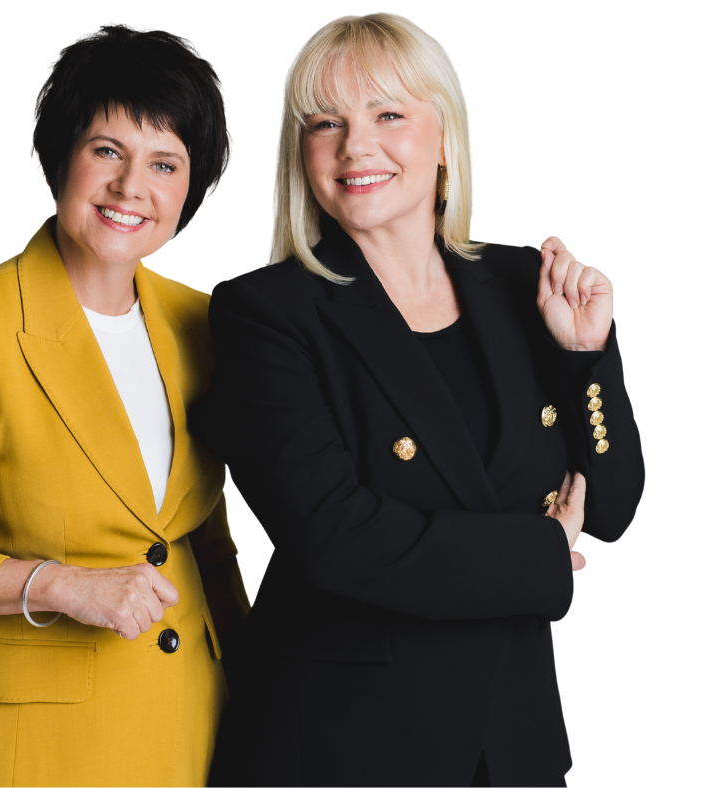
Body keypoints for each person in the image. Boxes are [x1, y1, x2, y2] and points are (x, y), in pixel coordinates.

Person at [188, 12, 643, 788]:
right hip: (347, 747)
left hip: (514, 743)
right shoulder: (264, 312)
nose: (354, 146)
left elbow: (610, 511)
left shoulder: (523, 282)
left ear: (444, 137)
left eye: (388, 114)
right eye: (325, 123)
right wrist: (537, 553)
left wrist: (583, 359)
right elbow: (336, 539)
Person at [0, 24, 250, 788]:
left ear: (190, 189)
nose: (132, 186)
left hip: (192, 727)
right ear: (56, 154)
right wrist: (59, 585)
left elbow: (204, 536)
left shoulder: (204, 323)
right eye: (108, 150)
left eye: (164, 163)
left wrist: (259, 687)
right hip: (30, 750)